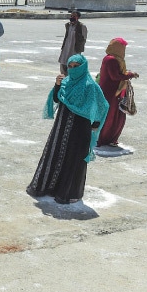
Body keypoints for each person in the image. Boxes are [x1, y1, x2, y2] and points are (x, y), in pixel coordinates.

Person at [27, 54, 109, 204]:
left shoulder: (90, 86)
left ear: (83, 67)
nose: (72, 70)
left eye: (76, 66)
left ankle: (68, 193)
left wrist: (96, 123)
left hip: (79, 130)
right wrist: (57, 85)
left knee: (73, 160)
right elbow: (57, 99)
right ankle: (49, 187)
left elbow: (102, 105)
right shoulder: (66, 82)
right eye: (70, 67)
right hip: (61, 127)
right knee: (56, 155)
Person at [96, 38, 140, 147]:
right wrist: (131, 74)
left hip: (114, 92)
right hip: (110, 92)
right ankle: (104, 138)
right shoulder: (111, 59)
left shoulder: (114, 59)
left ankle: (110, 137)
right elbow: (115, 76)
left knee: (117, 115)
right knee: (110, 116)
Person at [58, 10, 87, 75]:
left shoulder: (82, 26)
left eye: (74, 16)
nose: (72, 17)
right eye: (71, 16)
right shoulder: (68, 25)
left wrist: (79, 48)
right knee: (63, 63)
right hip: (66, 48)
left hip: (75, 49)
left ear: (78, 17)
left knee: (72, 64)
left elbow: (84, 38)